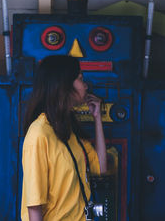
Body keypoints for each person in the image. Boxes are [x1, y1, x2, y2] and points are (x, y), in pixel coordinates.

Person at [21, 55, 107, 221]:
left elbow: (101, 168)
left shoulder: (68, 129)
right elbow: (34, 206)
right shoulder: (39, 134)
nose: (86, 85)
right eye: (80, 79)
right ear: (64, 85)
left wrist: (98, 119)